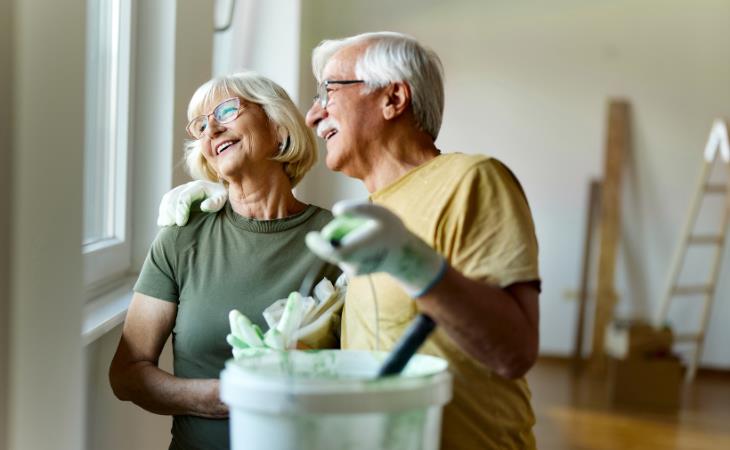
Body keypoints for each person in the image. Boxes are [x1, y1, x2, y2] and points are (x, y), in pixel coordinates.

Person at [161, 32, 541, 449]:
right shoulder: (378, 211)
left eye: (329, 91)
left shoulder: (470, 180)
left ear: (393, 98)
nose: (311, 115)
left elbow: (514, 350)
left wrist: (412, 263)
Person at [109, 71, 339, 450]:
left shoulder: (334, 239)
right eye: (200, 126)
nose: (210, 129)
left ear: (278, 127)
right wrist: (224, 396)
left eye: (227, 110)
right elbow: (127, 373)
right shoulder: (182, 236)